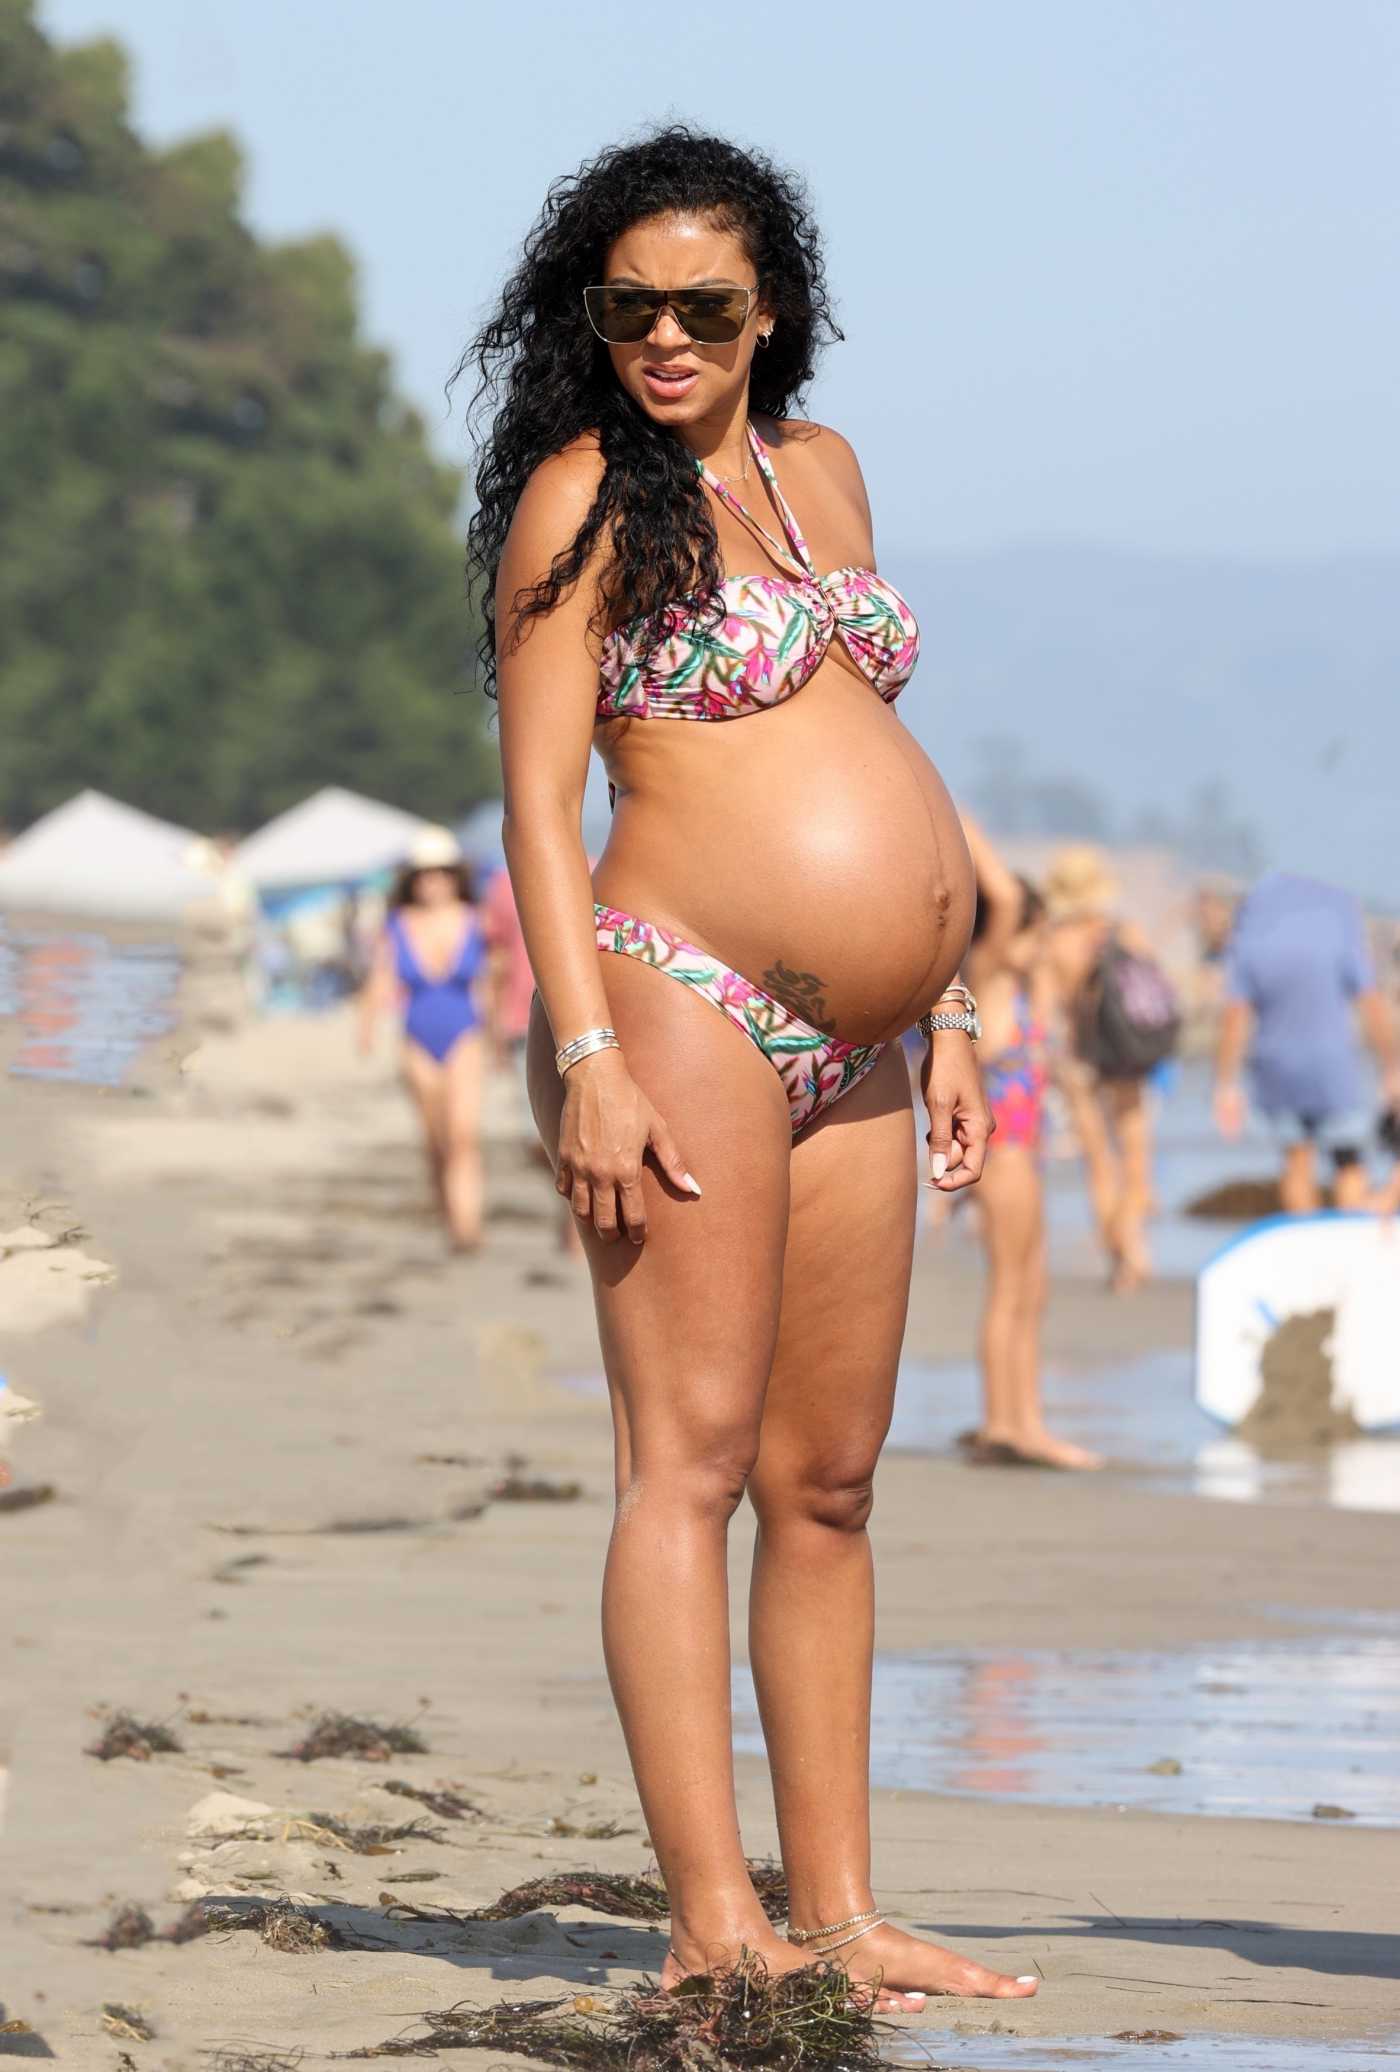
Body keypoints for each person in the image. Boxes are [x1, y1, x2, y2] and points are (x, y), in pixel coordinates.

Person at [461, 127, 1036, 2010]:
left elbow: (874, 743)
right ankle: (718, 1917)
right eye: (631, 309)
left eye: (703, 306)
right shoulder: (579, 505)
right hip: (678, 994)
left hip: (875, 1042)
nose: (667, 340)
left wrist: (948, 1008)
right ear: (597, 318)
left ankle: (847, 1909)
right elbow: (541, 807)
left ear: (769, 308)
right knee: (686, 1467)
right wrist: (593, 1055)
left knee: (834, 1481)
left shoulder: (824, 471)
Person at [959, 819, 1102, 1470]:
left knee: (1031, 1288)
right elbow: (1007, 899)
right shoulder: (983, 975)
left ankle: (1021, 1420)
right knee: (1011, 1288)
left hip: (1028, 1150)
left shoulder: (1019, 989)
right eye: (1033, 933)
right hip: (1003, 1154)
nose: (1040, 943)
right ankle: (1006, 1423)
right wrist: (954, 817)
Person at [1215, 871, 1400, 1213]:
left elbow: (1234, 1015)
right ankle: (1351, 1245)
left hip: (1275, 1067)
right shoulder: (1338, 923)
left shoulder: (1253, 931)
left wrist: (1227, 1084)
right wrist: (1390, 1066)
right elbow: (1370, 1003)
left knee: (1296, 1162)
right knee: (1349, 1161)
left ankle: (1303, 1246)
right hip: (1332, 1067)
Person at [358, 829, 490, 1250]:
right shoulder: (397, 925)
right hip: (416, 1038)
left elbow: (493, 979)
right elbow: (381, 978)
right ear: (412, 879)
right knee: (436, 1140)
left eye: (442, 873)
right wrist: (366, 1026)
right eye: (425, 874)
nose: (433, 881)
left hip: (465, 1035)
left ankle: (467, 1228)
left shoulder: (475, 919)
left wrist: (501, 1037)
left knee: (464, 1136)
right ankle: (448, 1213)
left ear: (455, 876)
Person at [1042, 845, 1160, 1293]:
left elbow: (1049, 1012)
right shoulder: (1123, 932)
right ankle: (1134, 1246)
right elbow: (1151, 992)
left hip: (1080, 1061)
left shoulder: (1056, 942)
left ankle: (1120, 1254)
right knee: (1135, 1160)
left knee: (1098, 1164)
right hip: (1128, 1055)